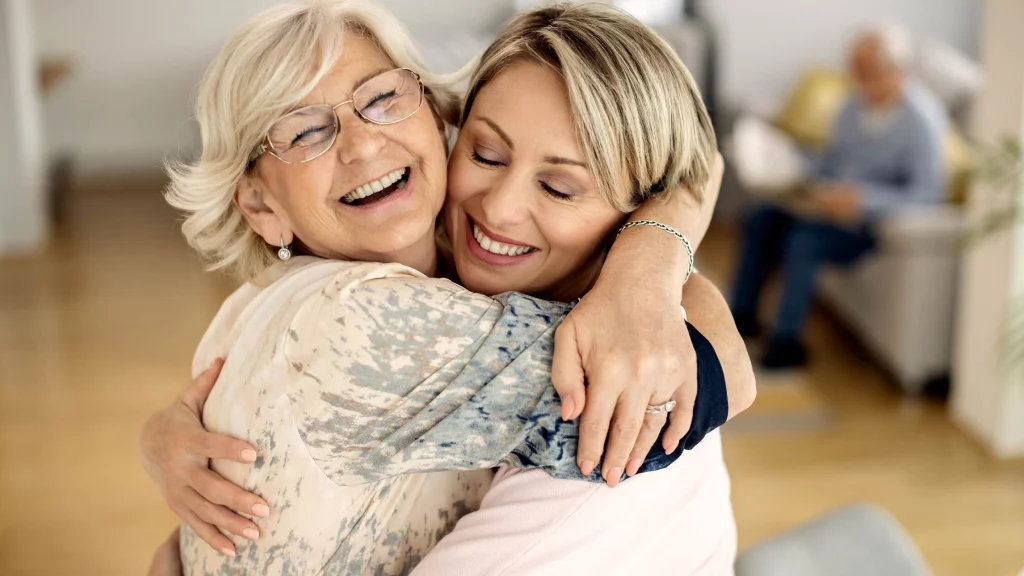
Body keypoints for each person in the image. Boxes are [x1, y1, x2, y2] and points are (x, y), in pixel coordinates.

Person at [140, 2, 752, 574]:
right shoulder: (364, 319)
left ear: (435, 119)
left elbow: (704, 166)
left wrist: (651, 253)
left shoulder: (274, 297)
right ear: (258, 205)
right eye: (303, 132)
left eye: (380, 99)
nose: (362, 143)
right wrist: (651, 263)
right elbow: (717, 378)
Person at [730, 24, 947, 370]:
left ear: (897, 70)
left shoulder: (921, 121)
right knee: (761, 219)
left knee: (803, 241)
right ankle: (739, 319)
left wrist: (864, 199)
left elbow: (928, 195)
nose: (857, 79)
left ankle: (786, 343)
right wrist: (791, 163)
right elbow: (830, 162)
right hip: (824, 207)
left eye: (866, 71)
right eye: (854, 70)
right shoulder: (850, 107)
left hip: (864, 224)